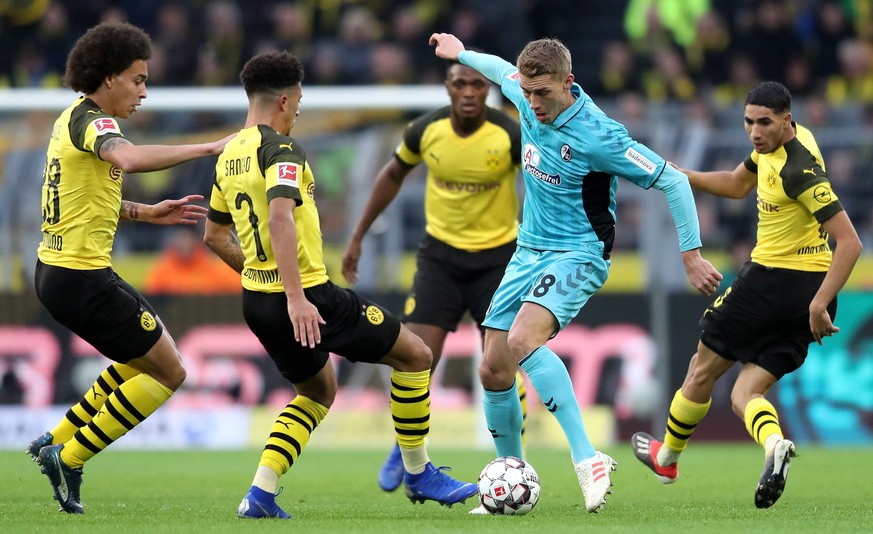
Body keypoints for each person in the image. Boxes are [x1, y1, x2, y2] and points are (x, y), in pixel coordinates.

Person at [428, 33, 722, 513]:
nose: (533, 102)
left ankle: (589, 459)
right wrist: (460, 52)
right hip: (528, 250)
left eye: (542, 93)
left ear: (569, 83)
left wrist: (691, 254)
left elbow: (670, 179)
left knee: (523, 342)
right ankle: (512, 476)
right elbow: (499, 67)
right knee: (493, 366)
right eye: (527, 92)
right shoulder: (523, 94)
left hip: (579, 253)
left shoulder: (599, 135)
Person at [203, 50, 478, 520]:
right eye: (300, 101)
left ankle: (260, 494)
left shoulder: (228, 154)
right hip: (308, 296)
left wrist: (264, 281)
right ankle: (419, 472)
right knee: (415, 356)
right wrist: (295, 297)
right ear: (285, 101)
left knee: (316, 393)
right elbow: (278, 217)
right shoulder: (282, 149)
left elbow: (213, 234)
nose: (298, 110)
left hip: (257, 301)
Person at [25, 22, 233, 514]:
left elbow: (83, 200)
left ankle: (53, 439)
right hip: (80, 278)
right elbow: (131, 159)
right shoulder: (95, 122)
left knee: (146, 355)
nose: (144, 90)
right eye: (137, 79)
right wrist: (208, 147)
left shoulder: (70, 119)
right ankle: (68, 457)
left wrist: (146, 212)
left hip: (64, 271)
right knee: (170, 371)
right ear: (109, 77)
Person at [632, 81, 863, 508]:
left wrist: (817, 304)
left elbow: (850, 242)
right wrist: (681, 176)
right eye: (748, 122)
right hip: (805, 295)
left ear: (786, 120)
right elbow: (738, 185)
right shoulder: (777, 146)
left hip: (774, 284)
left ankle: (667, 458)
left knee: (701, 368)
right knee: (745, 393)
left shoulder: (799, 170)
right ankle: (774, 445)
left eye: (764, 123)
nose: (755, 132)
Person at [341, 57, 528, 494]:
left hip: (497, 260)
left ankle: (514, 459)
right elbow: (391, 175)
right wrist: (357, 236)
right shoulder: (425, 131)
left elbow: (541, 182)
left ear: (489, 91)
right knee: (416, 358)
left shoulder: (509, 133)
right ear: (447, 88)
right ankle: (406, 449)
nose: (468, 92)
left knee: (500, 364)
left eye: (477, 85)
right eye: (460, 84)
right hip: (440, 259)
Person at [145, 227, 241, 295]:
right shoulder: (163, 268)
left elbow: (225, 290)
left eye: (188, 238)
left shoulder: (208, 265)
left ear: (195, 240)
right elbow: (153, 296)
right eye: (181, 238)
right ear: (174, 241)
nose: (185, 243)